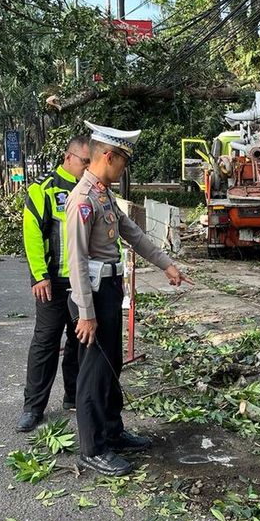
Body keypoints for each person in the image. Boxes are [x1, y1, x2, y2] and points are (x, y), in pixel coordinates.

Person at [67, 121, 192, 476]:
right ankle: (92, 448)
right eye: (123, 160)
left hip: (108, 291)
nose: (124, 167)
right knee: (92, 372)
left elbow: (133, 233)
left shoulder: (103, 195)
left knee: (111, 365)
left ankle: (112, 431)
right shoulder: (83, 200)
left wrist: (167, 265)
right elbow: (75, 261)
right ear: (108, 155)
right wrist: (86, 314)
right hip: (89, 297)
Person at [15, 136, 92, 433]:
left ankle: (73, 397)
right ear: (68, 157)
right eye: (84, 161)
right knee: (46, 343)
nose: (87, 167)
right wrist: (39, 275)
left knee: (79, 341)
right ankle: (33, 407)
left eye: (90, 163)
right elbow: (32, 232)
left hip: (83, 282)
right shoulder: (43, 190)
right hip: (53, 283)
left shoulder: (91, 190)